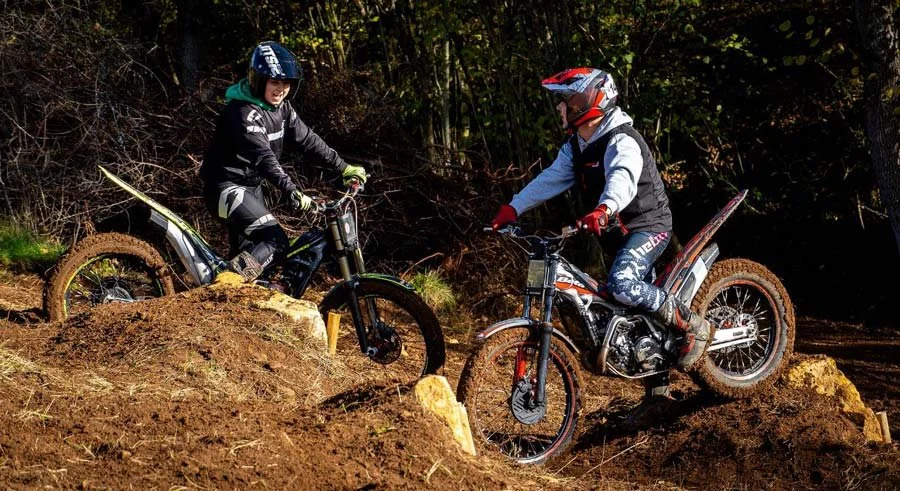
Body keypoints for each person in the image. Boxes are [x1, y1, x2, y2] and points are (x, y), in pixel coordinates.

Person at [490, 67, 712, 376]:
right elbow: (550, 179)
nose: (559, 107)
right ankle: (656, 394)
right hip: (616, 233)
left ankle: (692, 325)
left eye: (564, 100)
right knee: (633, 318)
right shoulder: (577, 146)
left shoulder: (621, 139)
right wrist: (513, 209)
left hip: (647, 226)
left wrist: (604, 208)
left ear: (585, 101)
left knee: (621, 284)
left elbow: (623, 178)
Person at [200, 41, 367, 281]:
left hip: (250, 187)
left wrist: (344, 168)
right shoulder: (243, 113)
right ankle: (224, 287)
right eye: (274, 82)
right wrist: (292, 191)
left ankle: (235, 306)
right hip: (224, 187)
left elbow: (308, 139)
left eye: (286, 83)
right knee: (275, 240)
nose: (281, 89)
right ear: (259, 80)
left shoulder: (282, 108)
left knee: (256, 262)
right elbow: (265, 159)